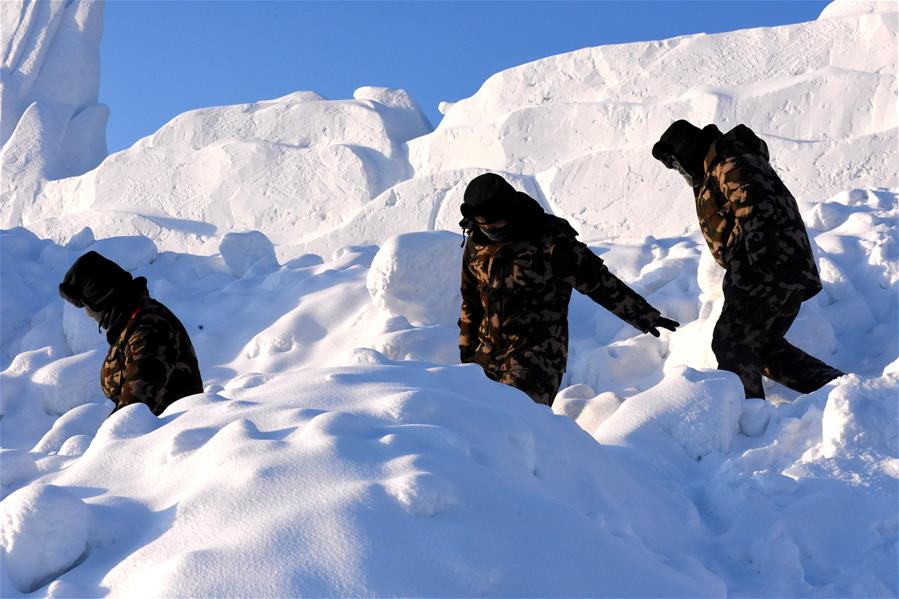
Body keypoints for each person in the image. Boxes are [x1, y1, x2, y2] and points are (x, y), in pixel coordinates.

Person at [651, 120, 843, 399]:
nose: (679, 171)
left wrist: (758, 263)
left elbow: (755, 204)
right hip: (783, 263)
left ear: (686, 150)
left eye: (677, 163)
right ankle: (842, 390)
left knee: (732, 342)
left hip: (764, 261)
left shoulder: (726, 160)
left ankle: (747, 417)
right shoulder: (720, 163)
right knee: (762, 346)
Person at [458, 173, 678, 406]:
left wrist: (644, 315)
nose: (489, 228)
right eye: (483, 224)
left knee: (515, 429)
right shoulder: (477, 241)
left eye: (494, 222)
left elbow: (598, 282)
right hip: (485, 359)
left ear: (509, 211)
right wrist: (467, 357)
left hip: (534, 363)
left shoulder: (550, 238)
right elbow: (470, 301)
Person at [59, 251, 203, 415]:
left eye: (87, 307)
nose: (88, 314)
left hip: (174, 436)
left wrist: (103, 439)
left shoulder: (149, 330)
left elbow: (134, 411)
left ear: (102, 299)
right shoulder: (131, 323)